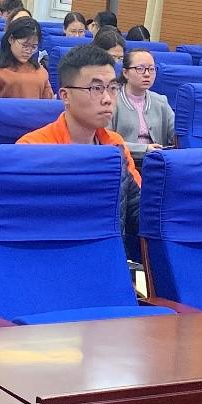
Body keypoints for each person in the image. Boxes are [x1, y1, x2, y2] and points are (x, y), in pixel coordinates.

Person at [18, 45, 141, 252]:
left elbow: (138, 210)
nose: (107, 99)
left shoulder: (115, 146)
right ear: (65, 95)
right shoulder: (33, 148)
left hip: (108, 256)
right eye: (96, 88)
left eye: (113, 88)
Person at [110, 48, 174, 163]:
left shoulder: (161, 101)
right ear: (125, 73)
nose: (147, 74)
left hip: (157, 163)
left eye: (151, 69)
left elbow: (176, 134)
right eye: (140, 69)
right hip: (123, 163)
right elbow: (106, 140)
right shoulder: (112, 100)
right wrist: (144, 149)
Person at [0, 17, 54, 99]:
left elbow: (50, 104)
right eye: (25, 45)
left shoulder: (41, 71)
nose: (29, 51)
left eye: (34, 47)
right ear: (11, 39)